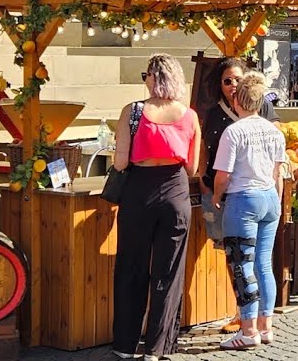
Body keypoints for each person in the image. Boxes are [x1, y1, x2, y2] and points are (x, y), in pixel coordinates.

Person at [112, 55, 201, 360]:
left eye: (145, 75)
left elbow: (120, 162)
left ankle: (125, 345)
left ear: (152, 77)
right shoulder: (190, 116)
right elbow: (192, 168)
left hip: (139, 191)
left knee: (131, 268)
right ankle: (156, 347)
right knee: (168, 273)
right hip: (175, 192)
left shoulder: (133, 111)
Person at [212, 73, 287, 350]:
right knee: (263, 264)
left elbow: (223, 175)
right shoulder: (273, 131)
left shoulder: (234, 132)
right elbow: (278, 172)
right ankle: (266, 327)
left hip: (244, 199)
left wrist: (218, 196)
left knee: (242, 266)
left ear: (236, 100)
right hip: (269, 197)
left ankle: (248, 330)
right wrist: (276, 201)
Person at [202, 58, 279, 240]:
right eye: (227, 81)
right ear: (219, 85)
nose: (233, 85)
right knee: (230, 248)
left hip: (249, 191)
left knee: (242, 254)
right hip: (220, 191)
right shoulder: (213, 112)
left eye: (238, 79)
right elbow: (204, 147)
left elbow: (277, 138)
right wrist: (203, 180)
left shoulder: (262, 105)